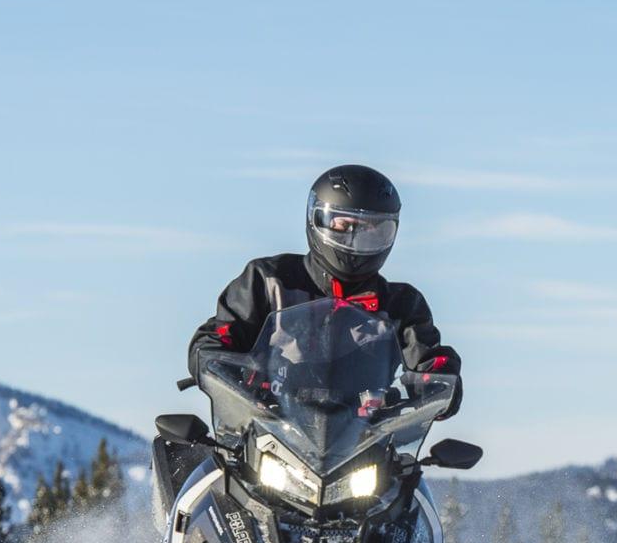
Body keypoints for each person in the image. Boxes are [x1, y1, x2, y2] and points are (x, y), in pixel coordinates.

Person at [188, 164, 461, 417]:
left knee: (430, 458)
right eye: (345, 226)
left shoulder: (401, 304)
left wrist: (438, 383)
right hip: (268, 424)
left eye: (372, 230)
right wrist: (226, 370)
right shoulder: (268, 281)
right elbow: (217, 339)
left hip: (364, 435)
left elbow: (428, 360)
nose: (355, 239)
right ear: (317, 219)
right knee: (198, 449)